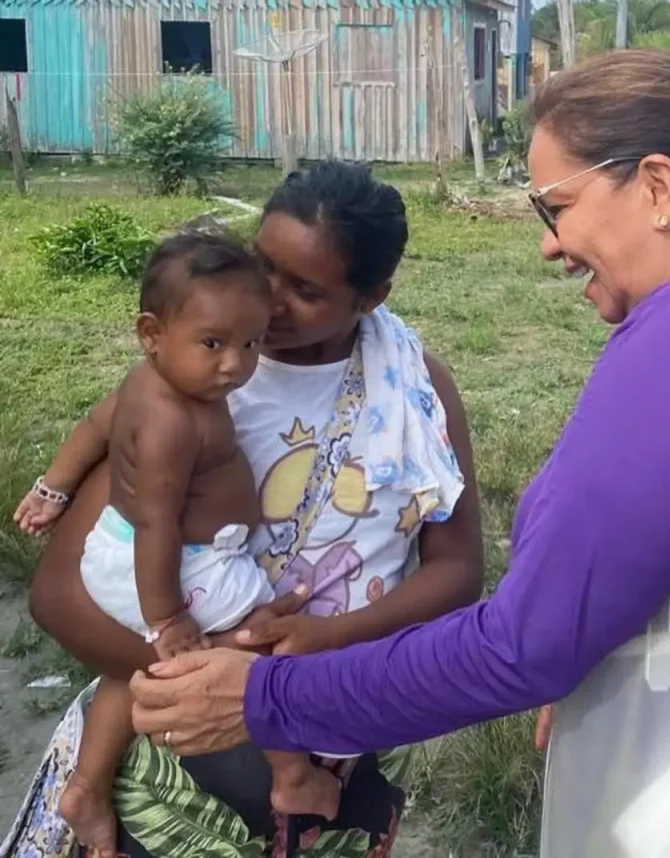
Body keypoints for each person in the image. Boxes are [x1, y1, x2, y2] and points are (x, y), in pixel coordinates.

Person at [128, 48, 670, 786]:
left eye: (556, 207)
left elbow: (522, 647)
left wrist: (264, 699)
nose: (549, 245)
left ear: (658, 187)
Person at [15, 161, 483, 858]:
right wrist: (203, 679)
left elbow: (458, 570)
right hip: (169, 761)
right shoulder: (193, 383)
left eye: (306, 290)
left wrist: (325, 643)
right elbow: (59, 595)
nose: (269, 299)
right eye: (263, 264)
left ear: (372, 296)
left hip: (344, 735)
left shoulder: (413, 388)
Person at [14, 231, 345, 858]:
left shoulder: (147, 383)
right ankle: (293, 777)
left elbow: (95, 426)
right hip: (171, 562)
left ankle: (85, 787)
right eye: (214, 344)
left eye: (250, 343)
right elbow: (158, 526)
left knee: (129, 670)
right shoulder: (174, 421)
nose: (234, 365)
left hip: (120, 545)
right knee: (260, 648)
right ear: (151, 332)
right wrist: (169, 617)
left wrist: (53, 488)